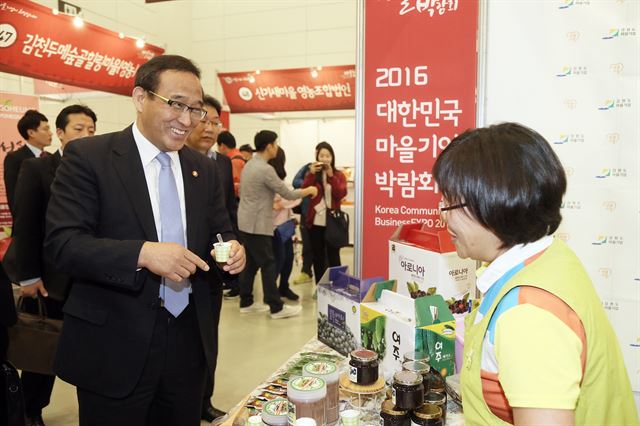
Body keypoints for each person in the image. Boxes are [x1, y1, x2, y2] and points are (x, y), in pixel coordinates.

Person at [44, 54, 246, 426]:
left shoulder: (202, 169)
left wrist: (231, 252)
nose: (187, 120)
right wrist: (142, 253)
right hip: (114, 345)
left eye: (196, 110)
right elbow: (64, 244)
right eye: (176, 105)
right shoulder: (89, 157)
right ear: (140, 98)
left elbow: (221, 231)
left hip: (188, 342)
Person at [432, 123, 637, 425]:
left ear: (496, 205)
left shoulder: (527, 315)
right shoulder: (548, 258)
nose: (443, 214)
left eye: (452, 203)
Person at [4, 104, 96, 426]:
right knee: (45, 348)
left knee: (91, 352)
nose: (86, 135)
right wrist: (28, 275)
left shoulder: (97, 170)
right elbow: (25, 224)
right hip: (50, 280)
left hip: (90, 280)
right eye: (78, 129)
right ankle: (32, 410)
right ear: (60, 133)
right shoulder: (37, 169)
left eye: (91, 130)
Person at [183, 94, 235, 423]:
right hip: (174, 270)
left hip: (212, 271)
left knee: (208, 344)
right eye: (203, 119)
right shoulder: (173, 161)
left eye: (215, 122)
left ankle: (205, 399)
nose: (209, 127)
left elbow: (224, 216)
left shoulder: (222, 162)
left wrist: (232, 248)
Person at [237, 130, 317, 319]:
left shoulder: (250, 165)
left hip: (245, 221)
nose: (277, 147)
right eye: (275, 143)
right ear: (269, 146)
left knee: (251, 264)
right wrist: (309, 190)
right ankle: (276, 307)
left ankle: (246, 302)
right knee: (269, 263)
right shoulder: (265, 169)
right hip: (258, 224)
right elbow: (287, 194)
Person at [301, 141, 347, 283]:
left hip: (332, 220)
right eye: (322, 156)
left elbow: (340, 193)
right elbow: (304, 191)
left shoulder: (338, 174)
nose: (325, 159)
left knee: (334, 255)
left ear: (332, 157)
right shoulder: (313, 175)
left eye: (328, 156)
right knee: (318, 256)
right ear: (317, 157)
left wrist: (331, 176)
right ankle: (321, 287)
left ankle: (338, 285)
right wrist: (311, 174)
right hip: (316, 221)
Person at [4, 109, 52, 215]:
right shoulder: (15, 158)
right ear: (31, 133)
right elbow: (14, 198)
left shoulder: (51, 157)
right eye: (46, 129)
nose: (50, 133)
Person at [268, 147, 300, 301]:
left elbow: (291, 200)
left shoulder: (281, 181)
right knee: (276, 262)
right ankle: (271, 293)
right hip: (272, 229)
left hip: (285, 227)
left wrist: (284, 205)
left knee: (288, 260)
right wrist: (283, 202)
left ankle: (283, 287)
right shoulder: (270, 180)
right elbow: (294, 198)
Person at [216, 130, 245, 198]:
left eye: (218, 146)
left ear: (222, 146)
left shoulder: (234, 161)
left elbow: (236, 185)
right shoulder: (239, 156)